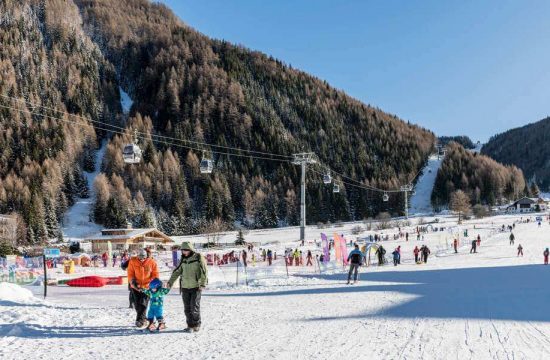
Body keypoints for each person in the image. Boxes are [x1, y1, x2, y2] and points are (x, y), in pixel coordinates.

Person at [167, 242, 208, 333]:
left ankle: (196, 324)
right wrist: (170, 282)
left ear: (190, 250)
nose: (183, 252)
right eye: (182, 250)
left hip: (196, 287)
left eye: (185, 250)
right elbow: (177, 271)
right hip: (185, 287)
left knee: (194, 307)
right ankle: (190, 325)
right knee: (187, 308)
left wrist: (202, 283)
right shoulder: (182, 259)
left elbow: (204, 271)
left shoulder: (198, 257)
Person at [127, 248, 159, 329]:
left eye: (143, 258)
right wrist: (133, 282)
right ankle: (143, 319)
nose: (142, 259)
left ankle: (140, 321)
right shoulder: (132, 261)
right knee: (137, 304)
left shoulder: (151, 262)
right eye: (140, 258)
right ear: (137, 256)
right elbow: (130, 273)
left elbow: (155, 274)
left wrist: (151, 283)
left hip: (147, 287)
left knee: (143, 303)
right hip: (136, 287)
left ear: (146, 256)